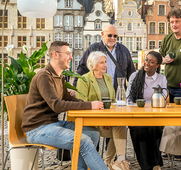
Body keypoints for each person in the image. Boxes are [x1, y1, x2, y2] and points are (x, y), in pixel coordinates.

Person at [21, 41, 108, 170]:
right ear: (55, 55)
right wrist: (89, 105)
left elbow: (67, 98)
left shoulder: (59, 76)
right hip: (37, 128)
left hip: (53, 124)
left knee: (93, 133)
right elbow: (56, 105)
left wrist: (87, 104)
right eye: (67, 53)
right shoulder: (44, 76)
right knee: (83, 141)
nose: (71, 57)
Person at [76, 51, 129, 170]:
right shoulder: (84, 80)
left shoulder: (108, 78)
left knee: (120, 126)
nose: (105, 65)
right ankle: (111, 162)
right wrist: (102, 119)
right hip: (92, 122)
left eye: (105, 62)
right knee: (120, 130)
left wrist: (109, 118)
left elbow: (111, 101)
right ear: (93, 65)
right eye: (101, 63)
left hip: (108, 120)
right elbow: (81, 104)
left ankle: (116, 161)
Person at [126, 51, 167, 170]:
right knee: (139, 130)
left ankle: (149, 165)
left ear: (157, 65)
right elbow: (129, 98)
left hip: (155, 116)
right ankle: (153, 164)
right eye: (146, 60)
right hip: (136, 115)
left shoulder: (161, 79)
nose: (147, 63)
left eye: (151, 61)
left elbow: (163, 98)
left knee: (155, 129)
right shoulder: (134, 76)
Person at [73, 24, 135, 91]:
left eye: (115, 36)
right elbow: (82, 69)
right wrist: (75, 88)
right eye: (109, 35)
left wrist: (135, 91)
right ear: (102, 34)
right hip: (98, 92)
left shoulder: (124, 50)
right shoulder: (93, 49)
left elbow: (131, 73)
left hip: (118, 93)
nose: (112, 38)